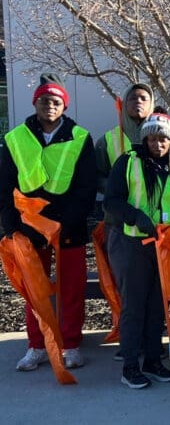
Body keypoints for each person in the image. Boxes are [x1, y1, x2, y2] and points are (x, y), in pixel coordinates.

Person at [0, 73, 97, 371]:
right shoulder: (15, 138)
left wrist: (66, 222)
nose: (49, 106)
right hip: (29, 227)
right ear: (35, 103)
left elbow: (87, 186)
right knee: (35, 290)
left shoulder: (80, 137)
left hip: (69, 228)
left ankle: (70, 344)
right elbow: (5, 184)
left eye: (56, 101)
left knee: (72, 288)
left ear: (64, 105)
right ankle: (37, 345)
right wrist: (12, 226)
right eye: (44, 100)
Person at [104, 113, 170, 389]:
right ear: (145, 139)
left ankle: (153, 360)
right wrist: (135, 216)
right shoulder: (128, 162)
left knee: (158, 306)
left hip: (166, 246)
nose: (158, 143)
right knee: (134, 305)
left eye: (163, 138)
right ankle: (130, 366)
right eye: (152, 138)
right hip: (134, 245)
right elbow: (111, 201)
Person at [95, 83, 155, 196]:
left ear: (151, 104)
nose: (138, 101)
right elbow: (96, 177)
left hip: (153, 206)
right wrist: (115, 187)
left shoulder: (163, 139)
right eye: (133, 98)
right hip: (118, 205)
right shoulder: (106, 140)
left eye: (144, 98)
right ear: (123, 105)